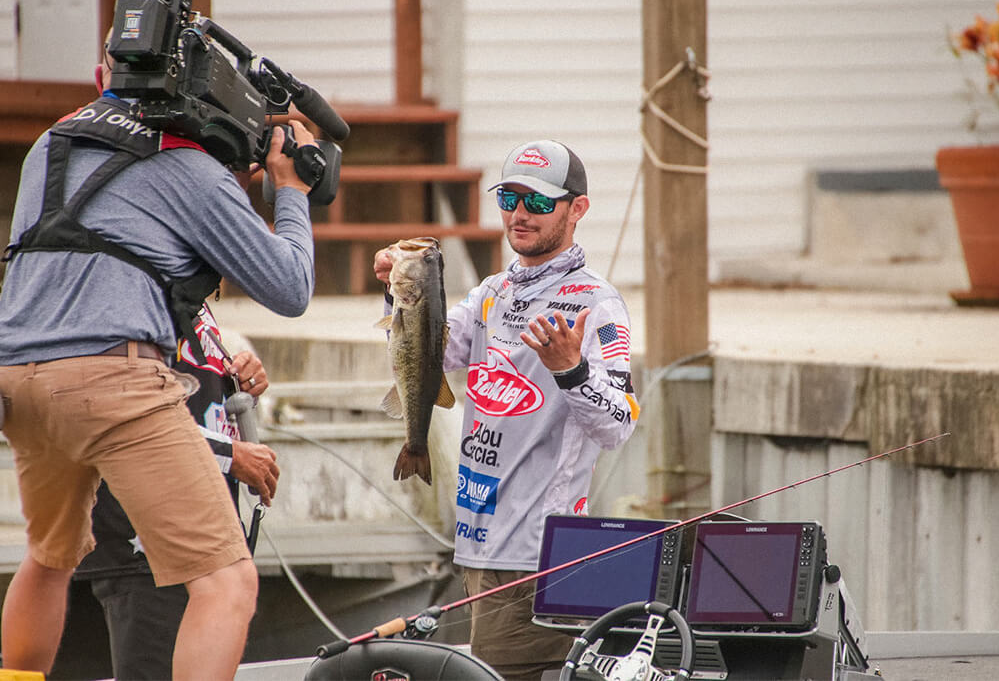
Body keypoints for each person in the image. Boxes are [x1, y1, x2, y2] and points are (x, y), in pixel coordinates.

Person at [0, 34, 315, 677]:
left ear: (100, 78)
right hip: (113, 378)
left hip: (19, 380)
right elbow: (288, 287)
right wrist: (291, 190)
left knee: (50, 557)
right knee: (226, 583)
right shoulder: (185, 164)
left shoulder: (49, 146)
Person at [374, 139, 640, 680]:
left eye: (539, 203)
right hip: (479, 544)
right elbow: (433, 356)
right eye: (509, 198)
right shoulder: (492, 292)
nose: (519, 214)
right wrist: (400, 293)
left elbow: (617, 425)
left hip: (536, 557)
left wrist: (570, 370)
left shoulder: (598, 303)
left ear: (577, 209)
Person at [72, 302, 279, 679]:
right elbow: (118, 405)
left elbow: (192, 399)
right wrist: (228, 455)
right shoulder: (128, 289)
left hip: (204, 544)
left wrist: (241, 380)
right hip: (147, 550)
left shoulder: (189, 297)